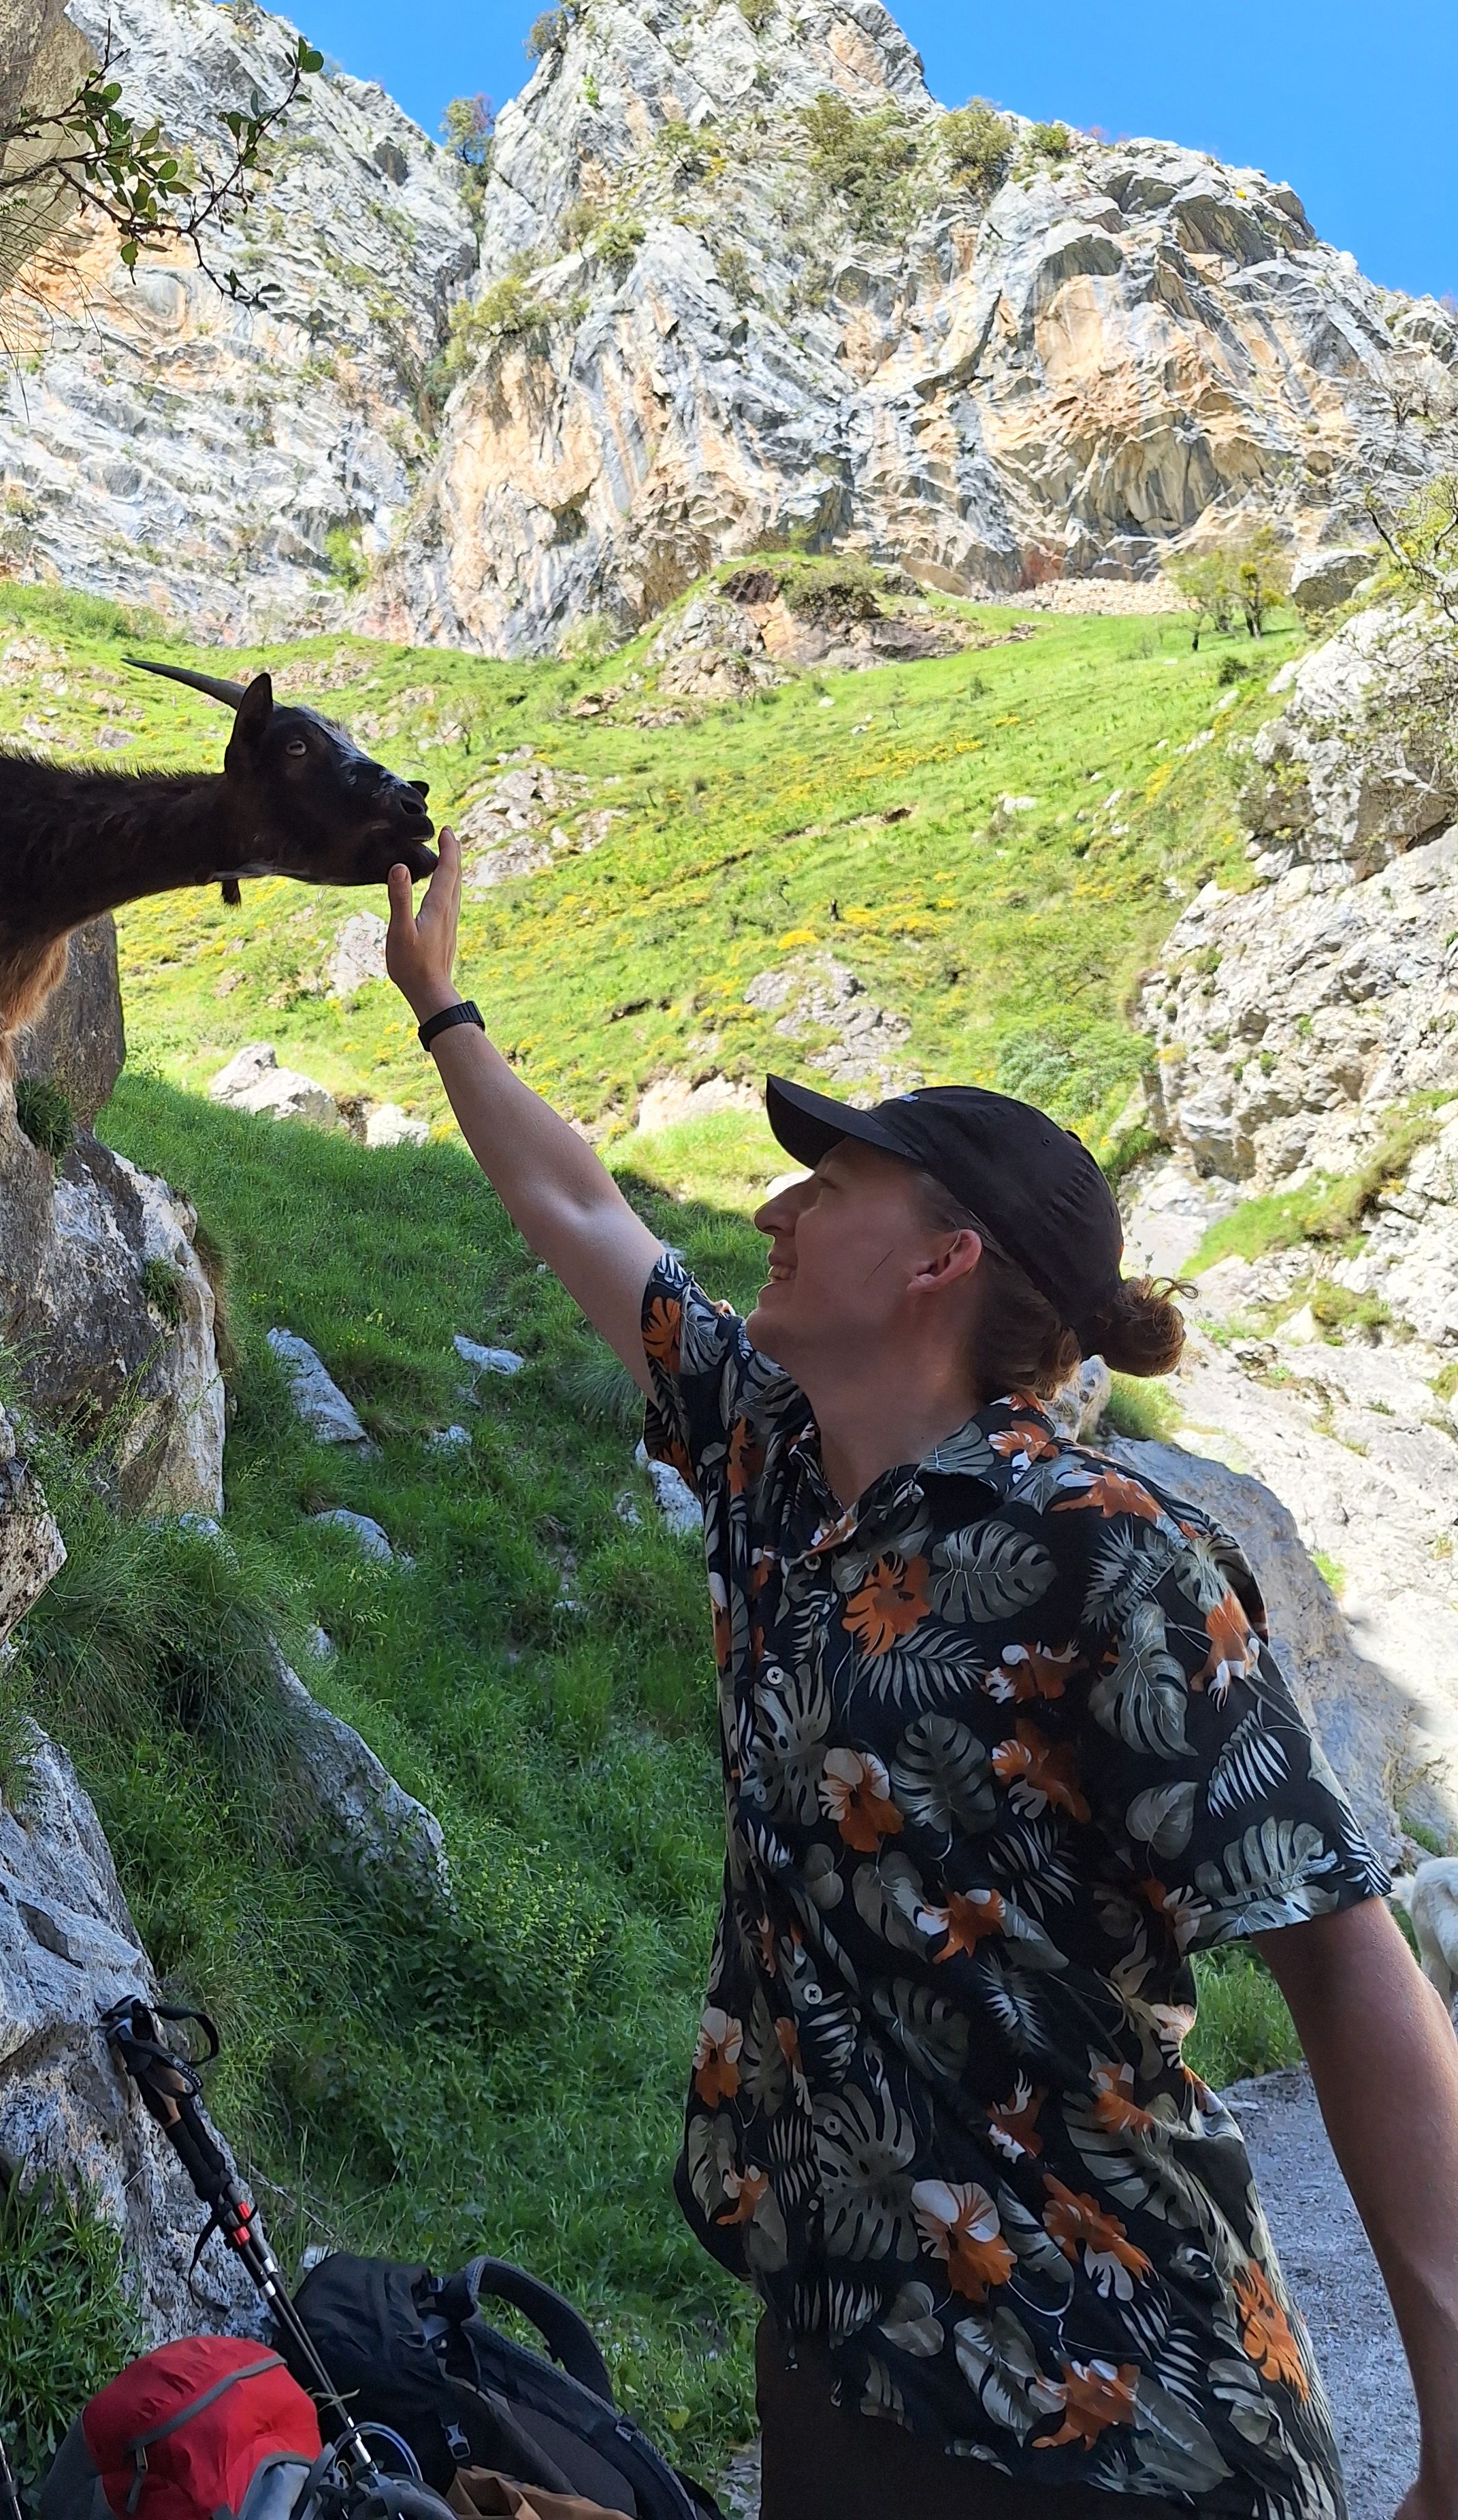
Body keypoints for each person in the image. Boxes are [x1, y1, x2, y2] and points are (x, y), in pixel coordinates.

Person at [384, 828, 1458, 2520]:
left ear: (944, 1259)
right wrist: (443, 1011)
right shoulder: (774, 1463)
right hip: (841, 2335)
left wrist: (1456, 2419)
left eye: (831, 1184)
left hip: (1102, 2400)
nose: (774, 1204)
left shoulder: (1109, 1553)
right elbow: (577, 1202)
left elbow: (1337, 1949)